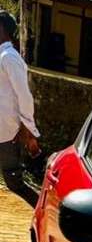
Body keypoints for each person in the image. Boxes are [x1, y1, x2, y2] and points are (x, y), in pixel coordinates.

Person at [0, 11, 41, 207]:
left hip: (6, 132)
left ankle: (46, 212)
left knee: (14, 182)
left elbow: (24, 96)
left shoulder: (9, 57)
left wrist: (29, 130)